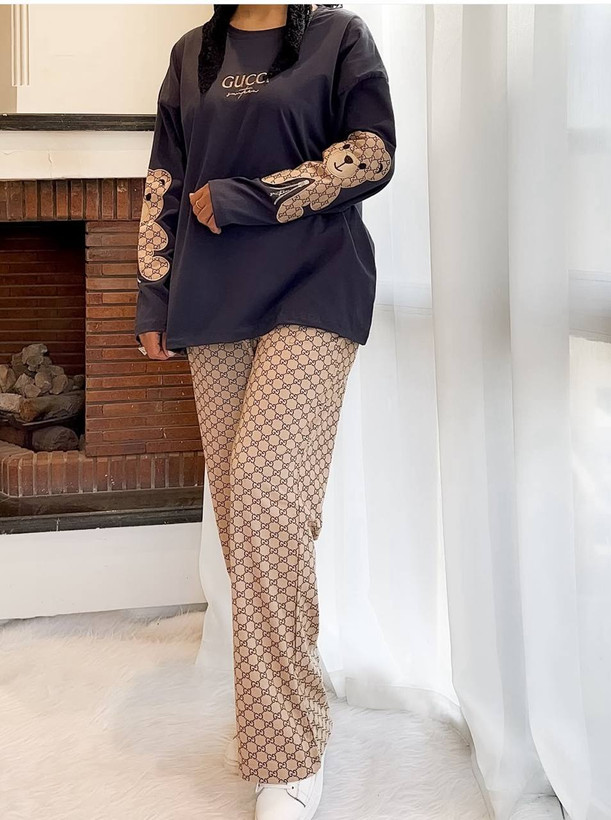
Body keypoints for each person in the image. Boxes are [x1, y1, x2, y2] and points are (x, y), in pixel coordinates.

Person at [135, 4, 396, 818]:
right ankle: (284, 714)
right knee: (250, 522)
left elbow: (371, 155)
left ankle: (285, 752)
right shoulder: (190, 54)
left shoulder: (339, 37)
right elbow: (163, 182)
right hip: (210, 297)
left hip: (315, 285)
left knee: (263, 499)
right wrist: (152, 300)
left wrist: (252, 197)